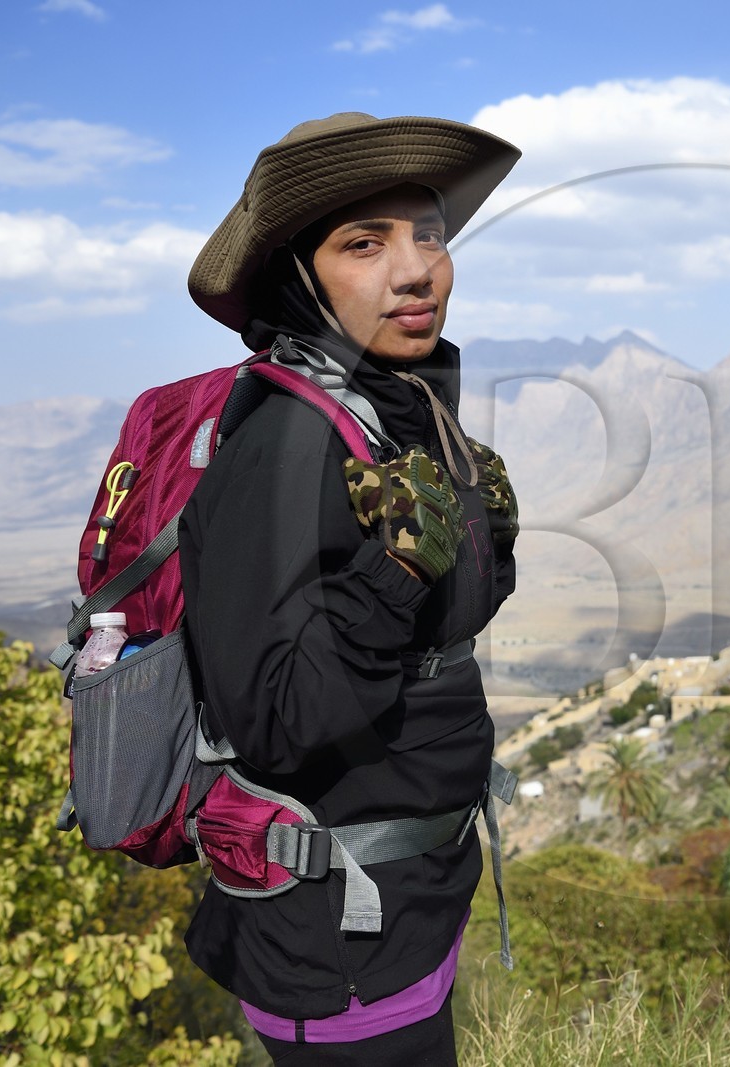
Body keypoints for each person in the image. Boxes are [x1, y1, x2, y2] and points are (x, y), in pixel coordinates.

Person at [179, 112, 522, 1065]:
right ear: (298, 271)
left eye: (429, 233)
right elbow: (275, 716)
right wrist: (399, 569)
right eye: (364, 243)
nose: (415, 270)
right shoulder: (283, 445)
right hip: (336, 948)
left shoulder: (393, 412)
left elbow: (423, 641)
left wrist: (484, 546)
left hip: (409, 909)